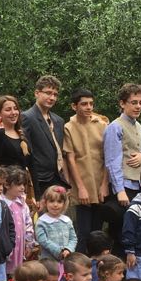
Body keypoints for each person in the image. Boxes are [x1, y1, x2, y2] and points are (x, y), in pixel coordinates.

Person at [62, 87, 110, 246]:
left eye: (91, 103)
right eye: (84, 104)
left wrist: (104, 184)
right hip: (81, 184)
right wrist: (80, 187)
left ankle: (97, 267)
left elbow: (108, 156)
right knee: (83, 232)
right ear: (74, 106)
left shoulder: (102, 124)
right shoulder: (69, 127)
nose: (89, 107)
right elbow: (71, 158)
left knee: (98, 232)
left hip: (100, 182)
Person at [103, 82, 141, 250]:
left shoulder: (140, 127)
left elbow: (140, 151)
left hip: (138, 185)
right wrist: (120, 190)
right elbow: (112, 161)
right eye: (133, 102)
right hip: (123, 187)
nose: (138, 106)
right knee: (119, 233)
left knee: (133, 232)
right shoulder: (115, 127)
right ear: (122, 103)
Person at [20, 74, 68, 200]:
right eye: (48, 93)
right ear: (37, 93)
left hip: (57, 178)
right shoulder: (27, 117)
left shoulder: (59, 121)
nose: (52, 97)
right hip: (39, 180)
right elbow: (26, 152)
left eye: (55, 94)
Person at [0, 97, 33, 199]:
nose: (13, 112)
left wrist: (36, 194)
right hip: (4, 191)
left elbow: (32, 165)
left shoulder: (24, 134)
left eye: (15, 108)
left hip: (22, 189)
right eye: (8, 110)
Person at [35, 185, 77, 263]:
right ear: (45, 203)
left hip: (66, 260)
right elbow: (43, 240)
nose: (55, 205)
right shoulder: (42, 221)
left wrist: (68, 249)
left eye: (59, 202)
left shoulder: (67, 220)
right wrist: (59, 251)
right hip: (48, 261)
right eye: (51, 201)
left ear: (64, 204)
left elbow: (73, 238)